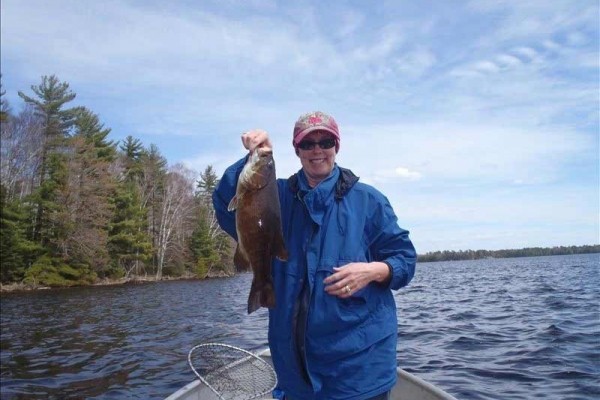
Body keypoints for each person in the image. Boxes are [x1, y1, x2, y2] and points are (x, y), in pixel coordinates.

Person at [212, 111, 416, 400]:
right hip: (296, 373)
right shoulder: (276, 195)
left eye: (326, 141)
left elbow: (405, 260)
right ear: (296, 150)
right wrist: (256, 155)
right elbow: (225, 205)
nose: (317, 150)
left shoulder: (369, 201)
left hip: (359, 371)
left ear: (337, 146)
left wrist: (373, 271)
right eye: (308, 144)